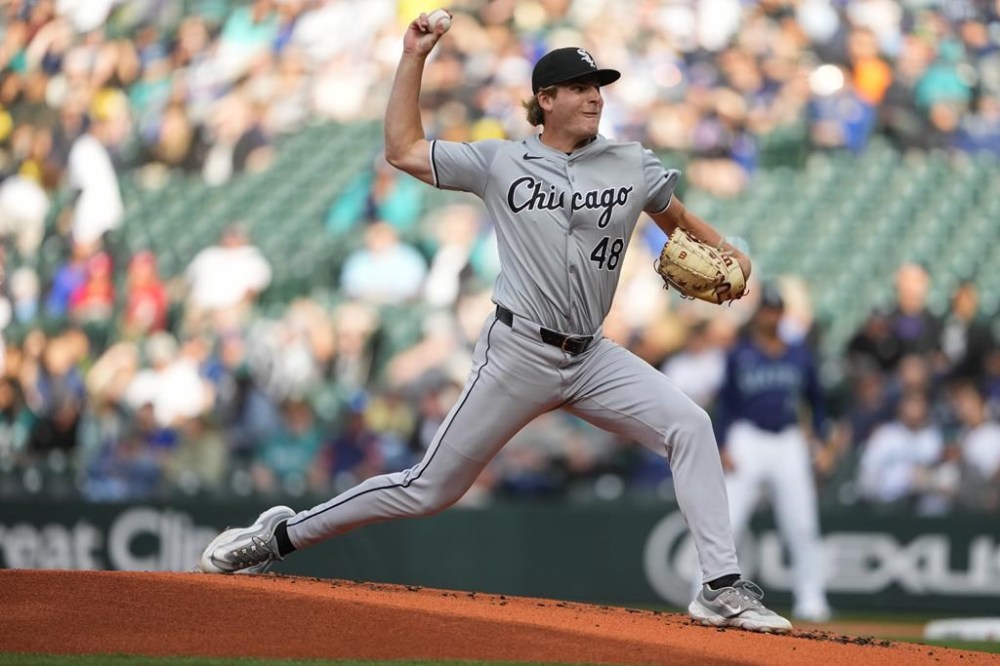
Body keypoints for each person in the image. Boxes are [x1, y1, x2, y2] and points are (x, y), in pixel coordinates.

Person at [197, 12, 791, 633]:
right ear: (547, 99)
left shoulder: (631, 163)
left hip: (592, 356)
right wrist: (414, 57)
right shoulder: (499, 162)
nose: (594, 96)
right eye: (582, 86)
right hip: (519, 352)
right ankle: (278, 536)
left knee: (690, 425)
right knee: (428, 489)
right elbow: (401, 150)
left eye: (600, 87)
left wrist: (732, 253)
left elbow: (678, 223)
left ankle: (720, 588)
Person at [712, 285, 832, 622]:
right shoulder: (740, 353)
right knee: (728, 522)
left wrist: (820, 440)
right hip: (747, 437)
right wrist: (723, 443)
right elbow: (726, 404)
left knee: (802, 524)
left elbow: (817, 402)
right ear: (759, 313)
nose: (771, 316)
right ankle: (705, 590)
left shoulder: (799, 354)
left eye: (776, 310)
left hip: (788, 439)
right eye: (767, 310)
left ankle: (812, 598)